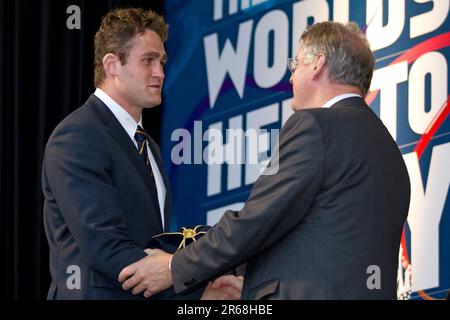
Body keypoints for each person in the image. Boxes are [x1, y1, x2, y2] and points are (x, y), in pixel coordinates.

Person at [118, 21, 411, 300]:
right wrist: (245, 276)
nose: (291, 77)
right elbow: (319, 233)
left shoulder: (313, 125)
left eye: (295, 65)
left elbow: (257, 219)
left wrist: (174, 267)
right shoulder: (389, 151)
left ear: (318, 64)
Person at [42, 7, 241, 300]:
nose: (160, 72)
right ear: (111, 65)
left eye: (162, 61)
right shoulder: (78, 136)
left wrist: (204, 283)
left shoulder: (147, 144)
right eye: (148, 60)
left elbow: (151, 245)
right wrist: (195, 291)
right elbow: (106, 247)